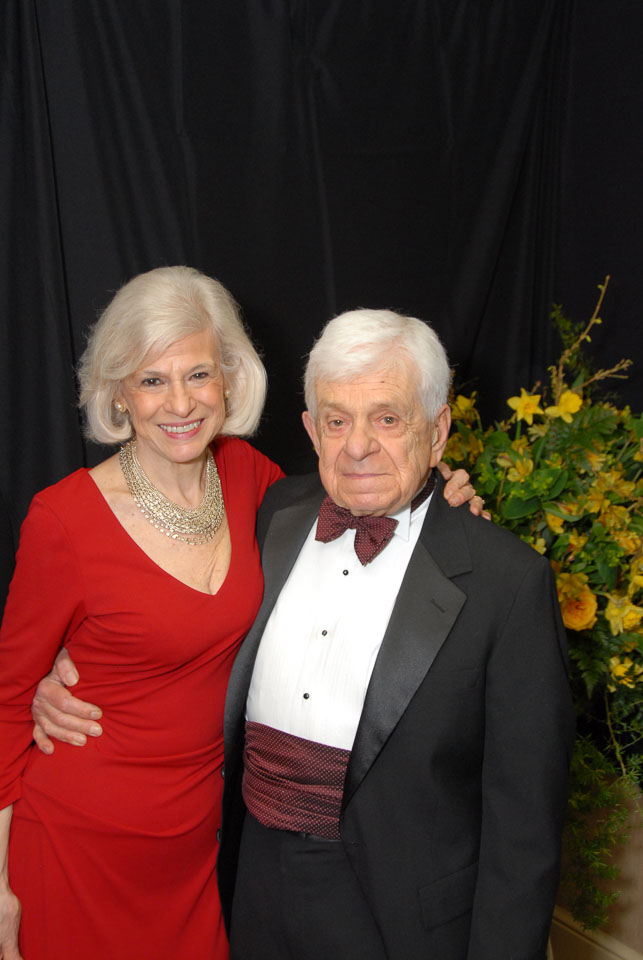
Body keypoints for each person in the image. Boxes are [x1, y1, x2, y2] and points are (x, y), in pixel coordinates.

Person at [1, 274, 479, 960]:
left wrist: (439, 503)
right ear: (118, 393)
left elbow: (363, 503)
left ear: (229, 378)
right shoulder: (62, 519)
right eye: (151, 380)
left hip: (206, 852)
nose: (180, 402)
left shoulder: (252, 480)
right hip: (80, 843)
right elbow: (7, 699)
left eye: (198, 373)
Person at [213, 309, 575, 959]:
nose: (357, 446)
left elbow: (524, 827)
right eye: (336, 421)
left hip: (399, 915)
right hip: (250, 881)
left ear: (437, 432)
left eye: (386, 419)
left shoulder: (507, 583)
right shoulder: (272, 516)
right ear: (310, 430)